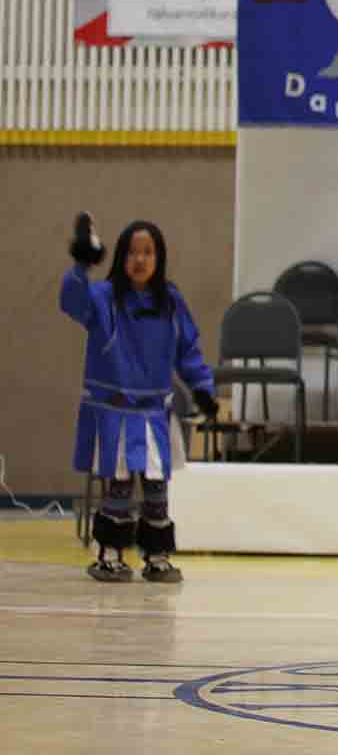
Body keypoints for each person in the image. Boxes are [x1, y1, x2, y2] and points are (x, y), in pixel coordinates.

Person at [59, 213, 218, 584]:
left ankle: (157, 555)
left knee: (156, 487)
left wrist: (203, 389)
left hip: (153, 415)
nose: (140, 260)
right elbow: (70, 300)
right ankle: (110, 554)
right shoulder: (101, 298)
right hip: (113, 411)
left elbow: (189, 351)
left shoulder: (171, 302)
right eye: (132, 252)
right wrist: (82, 262)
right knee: (117, 486)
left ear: (159, 258)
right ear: (120, 257)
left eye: (148, 252)